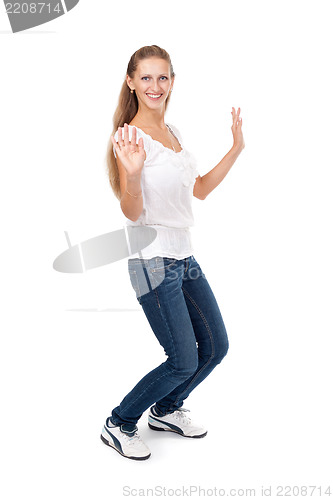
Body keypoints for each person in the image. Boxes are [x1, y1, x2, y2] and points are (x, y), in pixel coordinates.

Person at [101, 45, 245, 460]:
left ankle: (165, 410)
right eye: (145, 77)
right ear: (131, 82)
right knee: (182, 359)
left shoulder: (174, 133)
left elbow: (197, 189)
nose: (154, 85)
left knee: (215, 347)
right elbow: (132, 211)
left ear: (172, 81)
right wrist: (130, 176)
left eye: (162, 77)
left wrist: (235, 148)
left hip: (183, 256)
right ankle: (119, 422)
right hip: (151, 260)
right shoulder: (128, 136)